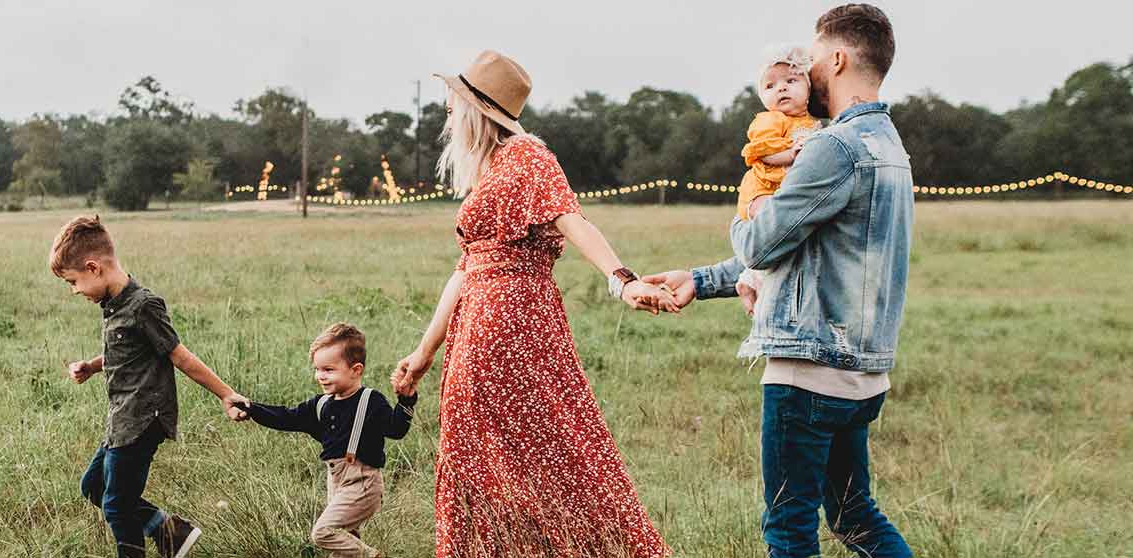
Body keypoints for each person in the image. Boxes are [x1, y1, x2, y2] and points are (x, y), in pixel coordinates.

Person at [643, 5, 916, 557]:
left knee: (789, 531)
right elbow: (804, 249)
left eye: (811, 59)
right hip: (862, 370)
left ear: (836, 59)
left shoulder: (832, 148)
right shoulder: (890, 148)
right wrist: (702, 278)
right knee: (854, 515)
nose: (804, 71)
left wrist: (747, 202)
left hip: (808, 370)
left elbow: (762, 242)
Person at [389, 50, 674, 557]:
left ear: (479, 110)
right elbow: (467, 268)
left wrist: (622, 280)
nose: (448, 115)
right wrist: (424, 353)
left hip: (516, 329)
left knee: (556, 453)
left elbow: (572, 220)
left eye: (454, 105)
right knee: (493, 460)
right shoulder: (493, 168)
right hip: (478, 330)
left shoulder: (526, 158)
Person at [49, 215, 251, 558]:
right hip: (122, 418)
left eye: (73, 281)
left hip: (142, 419)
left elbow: (180, 356)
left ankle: (154, 541)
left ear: (94, 267)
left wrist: (226, 394)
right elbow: (126, 349)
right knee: (93, 486)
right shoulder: (113, 305)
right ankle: (169, 530)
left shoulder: (144, 305)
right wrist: (93, 366)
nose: (75, 291)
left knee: (116, 506)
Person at [237, 323, 417, 558]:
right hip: (336, 482)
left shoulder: (370, 401)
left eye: (329, 369)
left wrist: (406, 401)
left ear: (356, 369)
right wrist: (252, 409)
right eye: (318, 369)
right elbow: (286, 417)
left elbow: (396, 430)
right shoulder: (321, 404)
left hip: (363, 483)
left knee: (323, 532)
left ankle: (372, 556)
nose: (321, 376)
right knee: (344, 546)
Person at [735, 44, 824, 315]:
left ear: (809, 89)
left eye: (791, 81)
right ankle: (753, 279)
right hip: (762, 188)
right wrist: (790, 154)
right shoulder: (770, 120)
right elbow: (761, 153)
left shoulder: (813, 124)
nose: (781, 89)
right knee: (772, 226)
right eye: (770, 86)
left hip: (782, 189)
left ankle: (752, 281)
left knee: (786, 236)